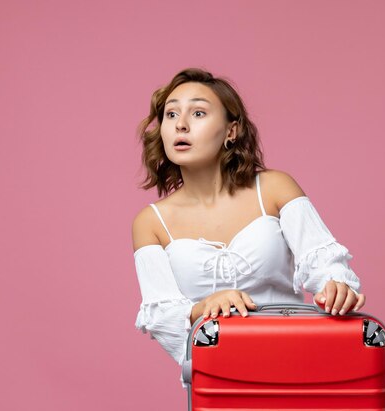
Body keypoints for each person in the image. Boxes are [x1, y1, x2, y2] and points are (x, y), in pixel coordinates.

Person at [131, 68, 366, 387]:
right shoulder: (150, 223)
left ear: (232, 130)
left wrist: (336, 286)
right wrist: (203, 307)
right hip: (222, 381)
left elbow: (324, 263)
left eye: (198, 112)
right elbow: (162, 317)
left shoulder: (274, 188)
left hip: (300, 365)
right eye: (171, 114)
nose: (181, 124)